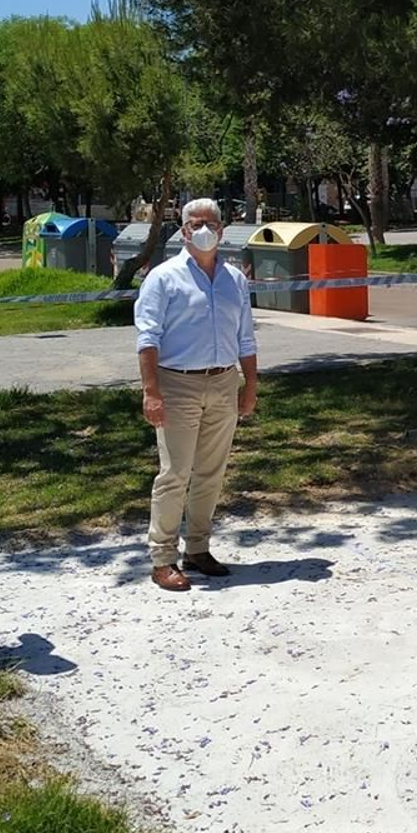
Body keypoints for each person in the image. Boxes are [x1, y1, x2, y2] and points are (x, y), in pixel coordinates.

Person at [134, 197, 258, 592]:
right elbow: (148, 338)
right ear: (183, 229)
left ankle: (199, 548)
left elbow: (246, 338)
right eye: (195, 223)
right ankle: (163, 557)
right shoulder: (164, 278)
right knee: (175, 473)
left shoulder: (234, 279)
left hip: (223, 382)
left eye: (210, 222)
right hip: (177, 384)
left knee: (211, 471)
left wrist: (250, 384)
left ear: (222, 229)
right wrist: (151, 392)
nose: (203, 229)